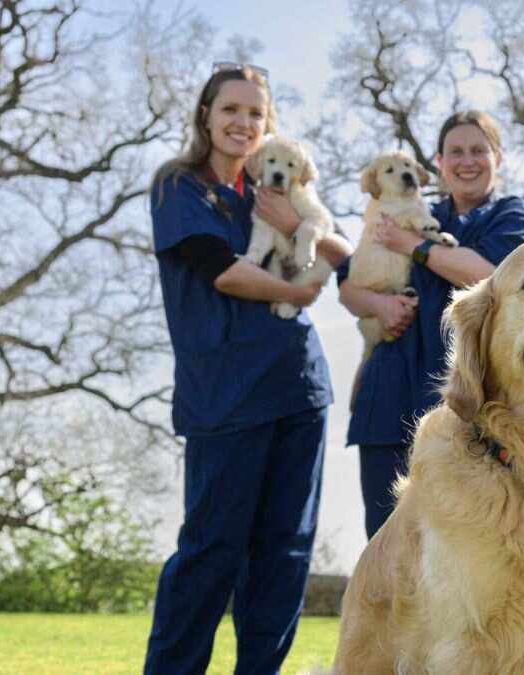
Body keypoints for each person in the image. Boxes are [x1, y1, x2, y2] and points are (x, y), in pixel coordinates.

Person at [144, 62, 352, 674]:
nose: (242, 122)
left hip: (298, 389)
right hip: (225, 395)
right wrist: (296, 292)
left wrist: (298, 226)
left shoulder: (280, 189)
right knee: (212, 550)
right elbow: (225, 272)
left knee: (285, 553)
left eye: (255, 113)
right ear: (206, 115)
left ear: (269, 126)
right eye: (230, 109)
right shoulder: (178, 186)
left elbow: (341, 249)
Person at [338, 110, 524, 539]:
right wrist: (379, 304)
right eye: (455, 152)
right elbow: (347, 286)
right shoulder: (407, 208)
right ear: (439, 163)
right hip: (389, 392)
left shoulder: (511, 216)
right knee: (388, 539)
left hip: (468, 402)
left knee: (468, 541)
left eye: (478, 150)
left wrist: (411, 245)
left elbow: (488, 275)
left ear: (497, 158)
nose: (467, 161)